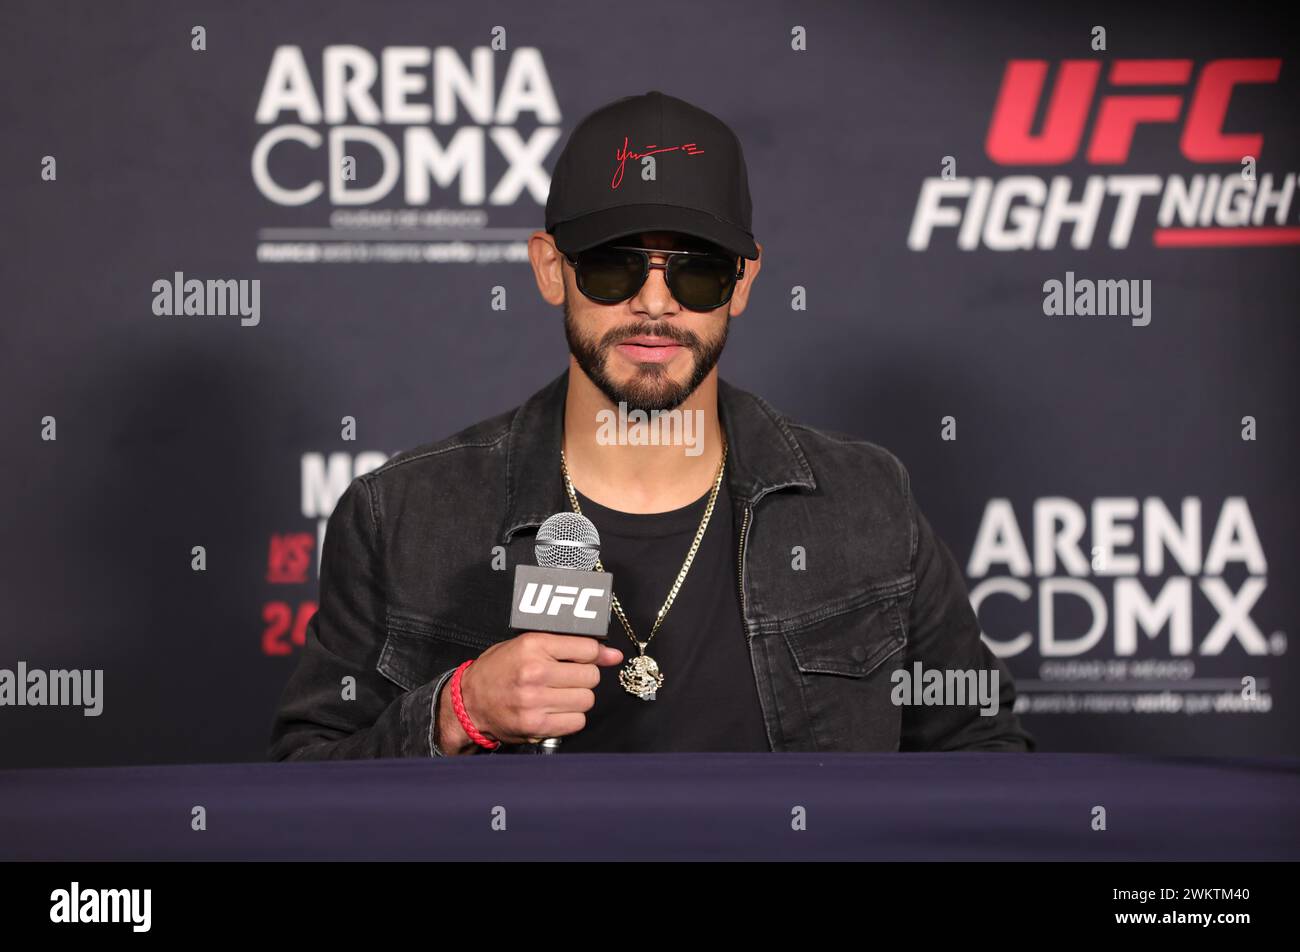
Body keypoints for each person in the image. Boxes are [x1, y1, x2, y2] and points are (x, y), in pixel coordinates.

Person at [269, 90, 1034, 758]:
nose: (656, 303)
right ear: (549, 268)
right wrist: (453, 712)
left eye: (696, 268)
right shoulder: (404, 514)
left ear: (743, 283)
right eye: (614, 264)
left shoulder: (866, 501)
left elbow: (986, 753)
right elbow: (304, 788)